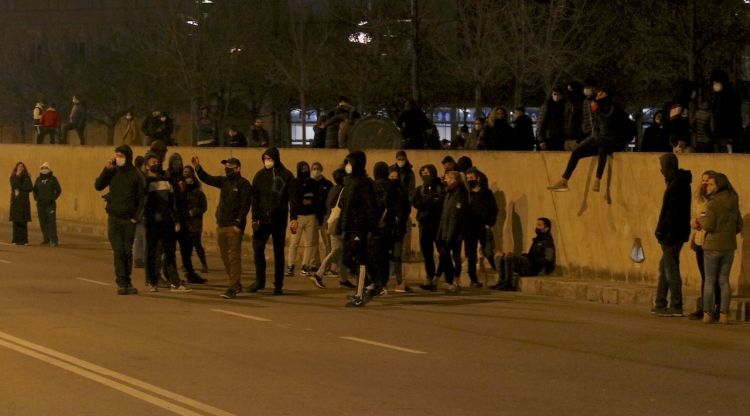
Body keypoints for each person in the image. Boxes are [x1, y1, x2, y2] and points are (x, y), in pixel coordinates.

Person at [547, 88, 633, 192]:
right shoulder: (598, 107)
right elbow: (596, 128)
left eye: (602, 93)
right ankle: (564, 181)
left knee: (602, 147)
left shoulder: (612, 108)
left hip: (613, 141)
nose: (598, 94)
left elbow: (606, 124)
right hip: (601, 139)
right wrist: (587, 141)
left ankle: (597, 179)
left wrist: (596, 111)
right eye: (598, 92)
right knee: (577, 152)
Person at [193, 156, 252, 299]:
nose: (227, 169)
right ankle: (236, 283)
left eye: (230, 167)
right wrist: (198, 168)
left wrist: (239, 223)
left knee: (234, 258)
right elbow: (208, 179)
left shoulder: (244, 184)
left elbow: (245, 205)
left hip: (234, 226)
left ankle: (232, 288)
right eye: (226, 167)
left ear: (238, 168)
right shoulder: (224, 181)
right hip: (222, 224)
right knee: (225, 257)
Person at [94, 145, 145, 295]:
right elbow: (98, 186)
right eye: (116, 155)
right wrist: (106, 169)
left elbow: (141, 199)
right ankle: (121, 282)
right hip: (114, 217)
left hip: (128, 219)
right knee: (118, 251)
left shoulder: (136, 175)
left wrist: (136, 217)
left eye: (121, 155)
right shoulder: (113, 171)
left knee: (126, 251)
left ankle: (127, 281)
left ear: (127, 157)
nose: (118, 158)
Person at [249, 148, 297, 296]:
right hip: (262, 219)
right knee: (258, 248)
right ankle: (260, 280)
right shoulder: (259, 176)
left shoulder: (286, 175)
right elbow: (255, 199)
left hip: (278, 219)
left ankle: (278, 285)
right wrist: (255, 218)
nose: (267, 161)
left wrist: (293, 217)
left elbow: (293, 198)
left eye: (269, 158)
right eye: (265, 158)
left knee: (278, 252)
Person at [142, 152, 192, 293]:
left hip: (167, 222)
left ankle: (175, 282)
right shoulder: (145, 181)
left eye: (157, 161)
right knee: (153, 253)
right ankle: (152, 281)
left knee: (170, 253)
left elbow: (172, 202)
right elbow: (142, 202)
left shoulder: (166, 180)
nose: (155, 164)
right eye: (152, 162)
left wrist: (176, 220)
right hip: (152, 223)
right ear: (146, 165)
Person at [698, 172, 742, 324]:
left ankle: (707, 313)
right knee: (724, 280)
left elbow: (709, 225)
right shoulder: (734, 200)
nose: (707, 187)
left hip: (712, 246)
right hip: (729, 246)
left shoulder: (713, 203)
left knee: (710, 280)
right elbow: (739, 226)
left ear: (718, 185)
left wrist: (700, 219)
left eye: (711, 184)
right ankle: (724, 314)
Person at [338, 151, 381, 304]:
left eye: (350, 162)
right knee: (346, 259)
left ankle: (359, 295)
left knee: (360, 259)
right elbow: (344, 206)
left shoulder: (364, 183)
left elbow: (370, 207)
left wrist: (373, 229)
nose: (347, 165)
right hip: (348, 227)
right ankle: (371, 283)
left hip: (359, 227)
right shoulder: (349, 181)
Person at [652, 153, 692, 317]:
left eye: (662, 166)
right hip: (675, 233)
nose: (661, 170)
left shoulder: (677, 185)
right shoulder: (679, 182)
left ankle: (676, 304)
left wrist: (662, 231)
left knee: (671, 269)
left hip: (671, 234)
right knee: (665, 267)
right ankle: (660, 303)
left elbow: (671, 213)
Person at [167, 153, 205, 284]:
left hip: (184, 217)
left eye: (179, 162)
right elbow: (170, 201)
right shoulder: (168, 177)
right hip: (173, 218)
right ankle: (170, 275)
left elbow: (187, 197)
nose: (177, 164)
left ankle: (190, 273)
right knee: (169, 249)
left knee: (187, 247)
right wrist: (175, 219)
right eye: (175, 162)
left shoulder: (181, 179)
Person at [687, 171, 720, 320]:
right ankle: (705, 308)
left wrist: (704, 222)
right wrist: (694, 222)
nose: (704, 183)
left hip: (713, 242)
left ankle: (718, 307)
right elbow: (693, 215)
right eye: (703, 180)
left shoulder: (717, 200)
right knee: (705, 276)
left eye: (708, 181)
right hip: (700, 240)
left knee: (716, 277)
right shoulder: (698, 198)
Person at [491, 218, 556, 290]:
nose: (536, 227)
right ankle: (501, 282)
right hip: (527, 262)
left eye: (539, 225)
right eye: (536, 224)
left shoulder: (548, 243)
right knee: (498, 255)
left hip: (532, 268)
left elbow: (548, 259)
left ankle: (508, 283)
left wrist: (535, 260)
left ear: (546, 228)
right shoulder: (537, 240)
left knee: (509, 256)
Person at [311, 168, 347, 288]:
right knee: (336, 250)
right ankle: (318, 274)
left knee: (341, 251)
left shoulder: (334, 189)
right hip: (337, 224)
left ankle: (343, 279)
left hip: (332, 222)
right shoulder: (341, 190)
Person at [285, 161, 322, 277]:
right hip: (298, 217)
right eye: (303, 168)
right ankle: (290, 266)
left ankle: (305, 266)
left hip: (311, 216)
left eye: (307, 168)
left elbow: (316, 199)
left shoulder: (313, 183)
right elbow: (294, 200)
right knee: (294, 243)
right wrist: (293, 218)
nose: (305, 170)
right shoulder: (294, 182)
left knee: (309, 243)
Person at [464, 168, 498, 288]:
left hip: (483, 227)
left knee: (489, 252)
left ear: (478, 178)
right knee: (471, 255)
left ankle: (501, 275)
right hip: (470, 227)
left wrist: (490, 223)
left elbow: (494, 209)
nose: (469, 180)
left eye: (471, 178)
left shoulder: (486, 193)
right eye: (467, 178)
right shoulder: (467, 193)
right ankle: (473, 279)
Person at [414, 164, 445, 291]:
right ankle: (429, 276)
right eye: (423, 173)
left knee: (442, 251)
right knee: (427, 252)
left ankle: (440, 277)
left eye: (427, 173)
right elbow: (416, 202)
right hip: (424, 224)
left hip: (437, 224)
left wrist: (429, 202)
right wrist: (428, 202)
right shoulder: (420, 189)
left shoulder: (440, 187)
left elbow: (440, 202)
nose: (425, 176)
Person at [436, 171, 468, 293]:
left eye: (448, 179)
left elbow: (455, 217)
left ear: (454, 180)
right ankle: (441, 279)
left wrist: (450, 235)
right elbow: (445, 215)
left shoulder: (459, 194)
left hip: (455, 233)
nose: (446, 181)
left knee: (455, 256)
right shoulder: (449, 193)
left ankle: (455, 281)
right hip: (447, 231)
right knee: (444, 255)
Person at [709, 69, 743, 153]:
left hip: (728, 137)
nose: (714, 86)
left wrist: (730, 135)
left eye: (716, 83)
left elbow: (733, 117)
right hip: (721, 136)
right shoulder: (717, 97)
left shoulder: (730, 97)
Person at [183, 166, 209, 273]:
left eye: (187, 173)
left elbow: (203, 207)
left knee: (197, 244)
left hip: (195, 222)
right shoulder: (182, 190)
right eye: (184, 172)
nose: (186, 175)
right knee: (186, 245)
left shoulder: (198, 192)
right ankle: (187, 264)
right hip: (185, 221)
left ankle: (204, 264)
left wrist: (194, 211)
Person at [310, 162, 334, 270]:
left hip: (325, 216)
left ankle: (327, 264)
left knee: (327, 243)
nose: (316, 170)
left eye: (318, 168)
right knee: (313, 242)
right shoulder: (309, 183)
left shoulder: (328, 184)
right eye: (314, 168)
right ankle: (315, 263)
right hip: (313, 216)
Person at [33, 162, 61, 247]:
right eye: (42, 168)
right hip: (40, 205)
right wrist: (36, 198)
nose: (44, 169)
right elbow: (35, 190)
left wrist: (52, 198)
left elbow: (58, 190)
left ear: (49, 169)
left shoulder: (53, 179)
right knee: (43, 222)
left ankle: (54, 240)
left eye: (46, 168)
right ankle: (46, 239)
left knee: (51, 222)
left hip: (50, 205)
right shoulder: (38, 179)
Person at [9, 162, 33, 245]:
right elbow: (14, 185)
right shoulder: (13, 176)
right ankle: (15, 239)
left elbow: (29, 187)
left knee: (23, 222)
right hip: (16, 202)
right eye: (19, 166)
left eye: (22, 166)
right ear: (16, 167)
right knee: (16, 221)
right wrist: (18, 176)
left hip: (24, 202)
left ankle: (24, 240)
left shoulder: (27, 176)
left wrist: (20, 187)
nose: (21, 167)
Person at [132, 155, 147, 269]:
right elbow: (142, 197)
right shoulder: (141, 177)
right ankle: (142, 259)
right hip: (141, 212)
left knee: (138, 237)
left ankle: (138, 258)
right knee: (144, 237)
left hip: (136, 212)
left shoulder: (133, 175)